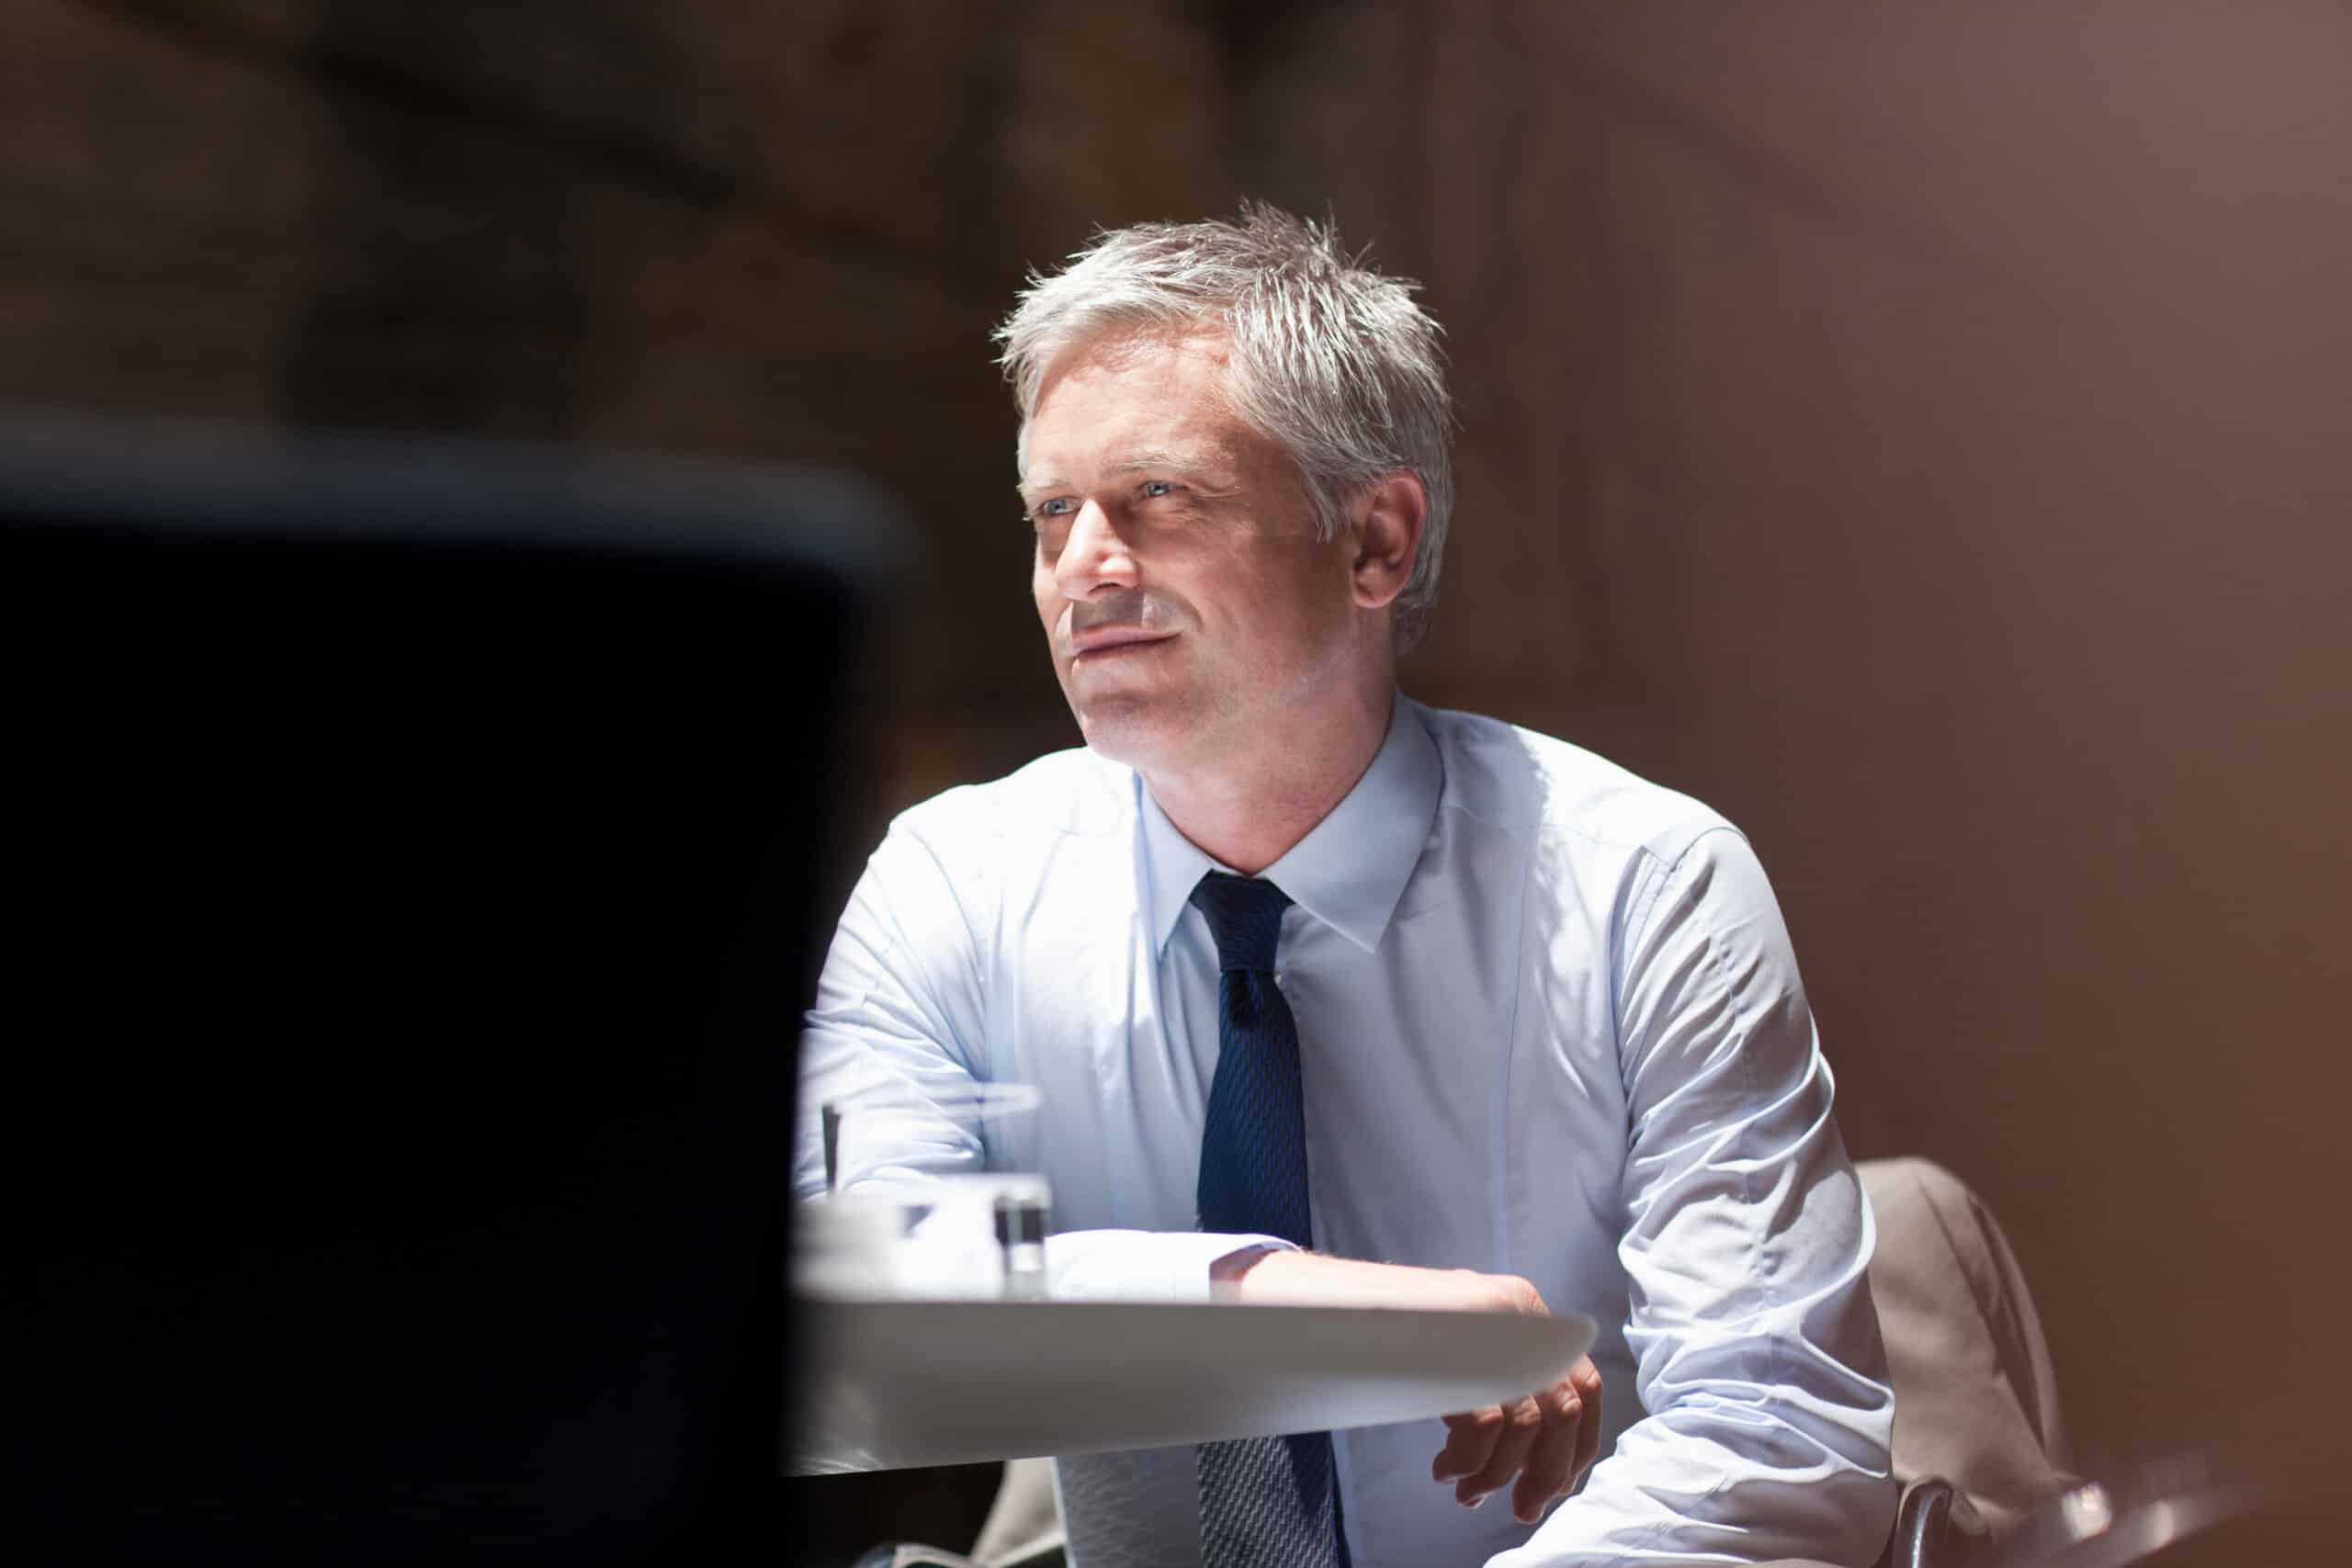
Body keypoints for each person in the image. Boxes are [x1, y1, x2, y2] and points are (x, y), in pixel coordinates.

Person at [796, 205, 1894, 1567]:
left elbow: (1782, 1437)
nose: (1081, 567)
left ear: (1374, 540)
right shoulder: (955, 881)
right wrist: (1285, 1302)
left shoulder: (1644, 885)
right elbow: (841, 1339)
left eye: (1159, 497)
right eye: (1052, 510)